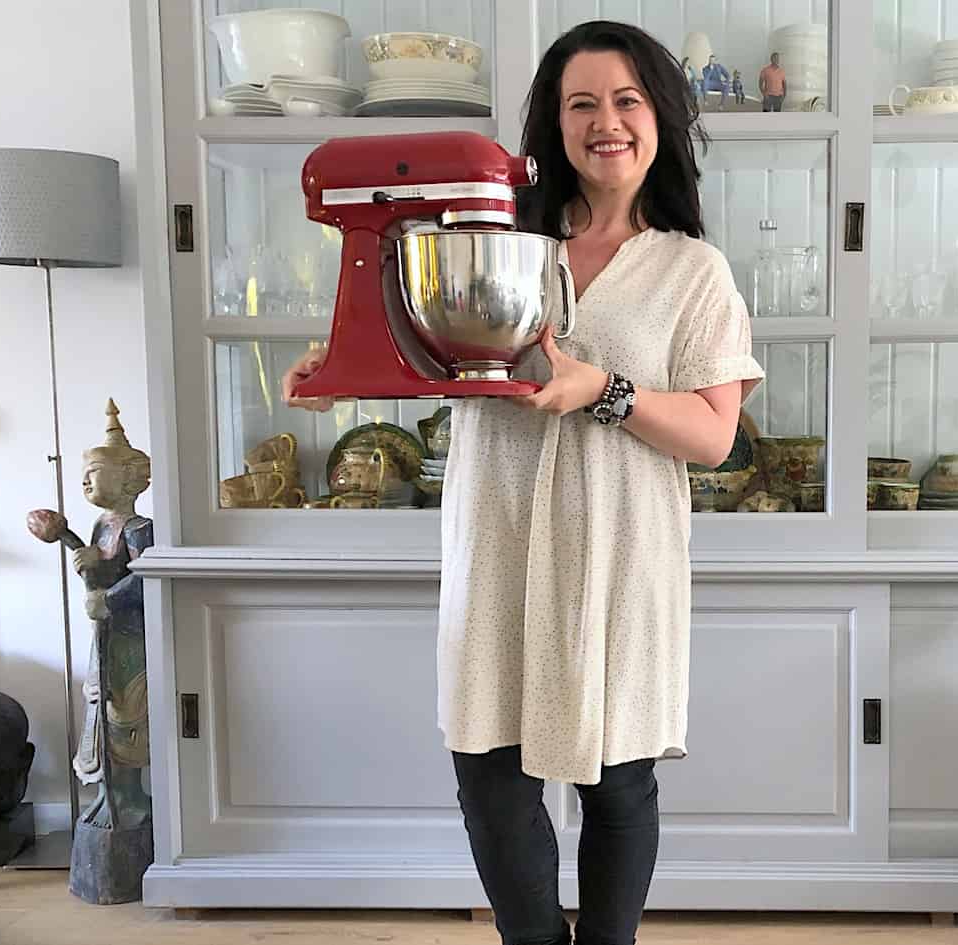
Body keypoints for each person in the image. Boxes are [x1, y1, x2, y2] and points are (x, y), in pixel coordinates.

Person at [282, 19, 764, 945]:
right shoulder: (489, 240)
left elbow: (712, 436)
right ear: (554, 124)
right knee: (489, 773)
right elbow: (415, 342)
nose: (605, 122)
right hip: (498, 536)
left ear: (659, 117)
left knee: (616, 776)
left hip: (619, 548)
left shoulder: (692, 271)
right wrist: (335, 364)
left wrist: (603, 390)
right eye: (581, 104)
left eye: (625, 100)